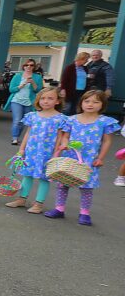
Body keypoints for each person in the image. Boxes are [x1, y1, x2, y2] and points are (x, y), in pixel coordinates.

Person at [44, 90, 121, 226]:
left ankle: (84, 213)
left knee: (87, 187)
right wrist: (64, 144)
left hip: (89, 160)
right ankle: (59, 209)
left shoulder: (104, 122)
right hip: (70, 158)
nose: (90, 104)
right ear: (81, 103)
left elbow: (107, 141)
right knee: (63, 183)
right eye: (87, 101)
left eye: (96, 102)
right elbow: (65, 136)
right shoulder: (71, 119)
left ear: (102, 104)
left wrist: (101, 158)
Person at [5, 86, 65, 213]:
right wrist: (22, 149)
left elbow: (60, 137)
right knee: (27, 175)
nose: (46, 101)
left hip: (48, 154)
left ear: (58, 101)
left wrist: (56, 153)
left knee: (44, 178)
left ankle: (39, 203)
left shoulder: (60, 118)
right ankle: (22, 199)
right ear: (38, 100)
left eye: (50, 98)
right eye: (42, 98)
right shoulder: (33, 115)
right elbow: (28, 133)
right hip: (32, 152)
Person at [3, 58, 43, 146]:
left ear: (34, 67)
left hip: (29, 102)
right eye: (27, 65)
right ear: (24, 66)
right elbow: (11, 89)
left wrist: (33, 83)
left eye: (31, 65)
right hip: (16, 100)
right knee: (17, 120)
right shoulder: (18, 76)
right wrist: (21, 85)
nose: (29, 67)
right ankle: (15, 138)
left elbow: (38, 90)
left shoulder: (37, 77)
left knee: (24, 121)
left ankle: (18, 136)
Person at [58, 52, 89, 116]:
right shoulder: (70, 67)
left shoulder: (85, 68)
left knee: (77, 108)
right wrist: (63, 89)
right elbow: (64, 79)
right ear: (81, 58)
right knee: (68, 108)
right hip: (71, 90)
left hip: (81, 91)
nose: (87, 61)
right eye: (86, 59)